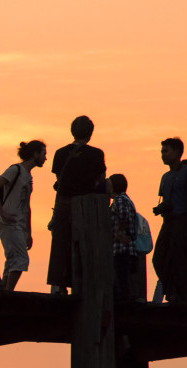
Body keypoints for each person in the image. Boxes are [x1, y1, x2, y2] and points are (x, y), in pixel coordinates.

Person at [48, 116, 106, 294]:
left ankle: (60, 285)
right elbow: (100, 180)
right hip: (87, 205)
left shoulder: (60, 153)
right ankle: (83, 284)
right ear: (90, 133)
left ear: (72, 131)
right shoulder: (96, 154)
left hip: (64, 203)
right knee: (85, 244)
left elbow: (60, 180)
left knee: (61, 245)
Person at [150, 137, 187, 304]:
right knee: (159, 258)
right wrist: (160, 209)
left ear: (178, 152)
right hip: (169, 221)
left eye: (166, 151)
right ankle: (172, 290)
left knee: (181, 259)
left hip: (184, 220)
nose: (163, 155)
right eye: (162, 152)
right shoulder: (165, 177)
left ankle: (186, 296)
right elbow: (166, 201)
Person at [0, 140, 46, 290]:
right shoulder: (15, 170)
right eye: (43, 153)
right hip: (9, 223)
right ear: (35, 154)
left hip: (18, 225)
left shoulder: (27, 176)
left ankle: (4, 292)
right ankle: (8, 293)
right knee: (20, 259)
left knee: (12, 260)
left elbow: (27, 207)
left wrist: (29, 232)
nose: (45, 158)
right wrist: (3, 212)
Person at [109, 174, 140, 301]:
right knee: (123, 274)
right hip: (127, 248)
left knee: (121, 274)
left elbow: (124, 216)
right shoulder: (126, 199)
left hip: (122, 247)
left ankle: (124, 298)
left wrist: (118, 233)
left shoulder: (119, 200)